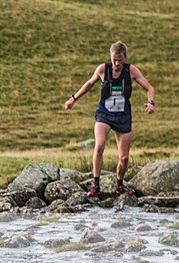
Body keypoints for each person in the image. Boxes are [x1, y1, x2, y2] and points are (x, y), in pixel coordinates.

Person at [64, 41, 155, 197]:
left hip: (123, 116)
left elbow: (149, 88)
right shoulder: (102, 69)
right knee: (99, 145)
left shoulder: (131, 70)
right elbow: (89, 83)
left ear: (125, 57)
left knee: (125, 158)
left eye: (120, 60)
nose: (117, 63)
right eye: (114, 60)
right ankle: (96, 185)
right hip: (104, 114)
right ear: (110, 57)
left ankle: (120, 184)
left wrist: (150, 102)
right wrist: (73, 99)